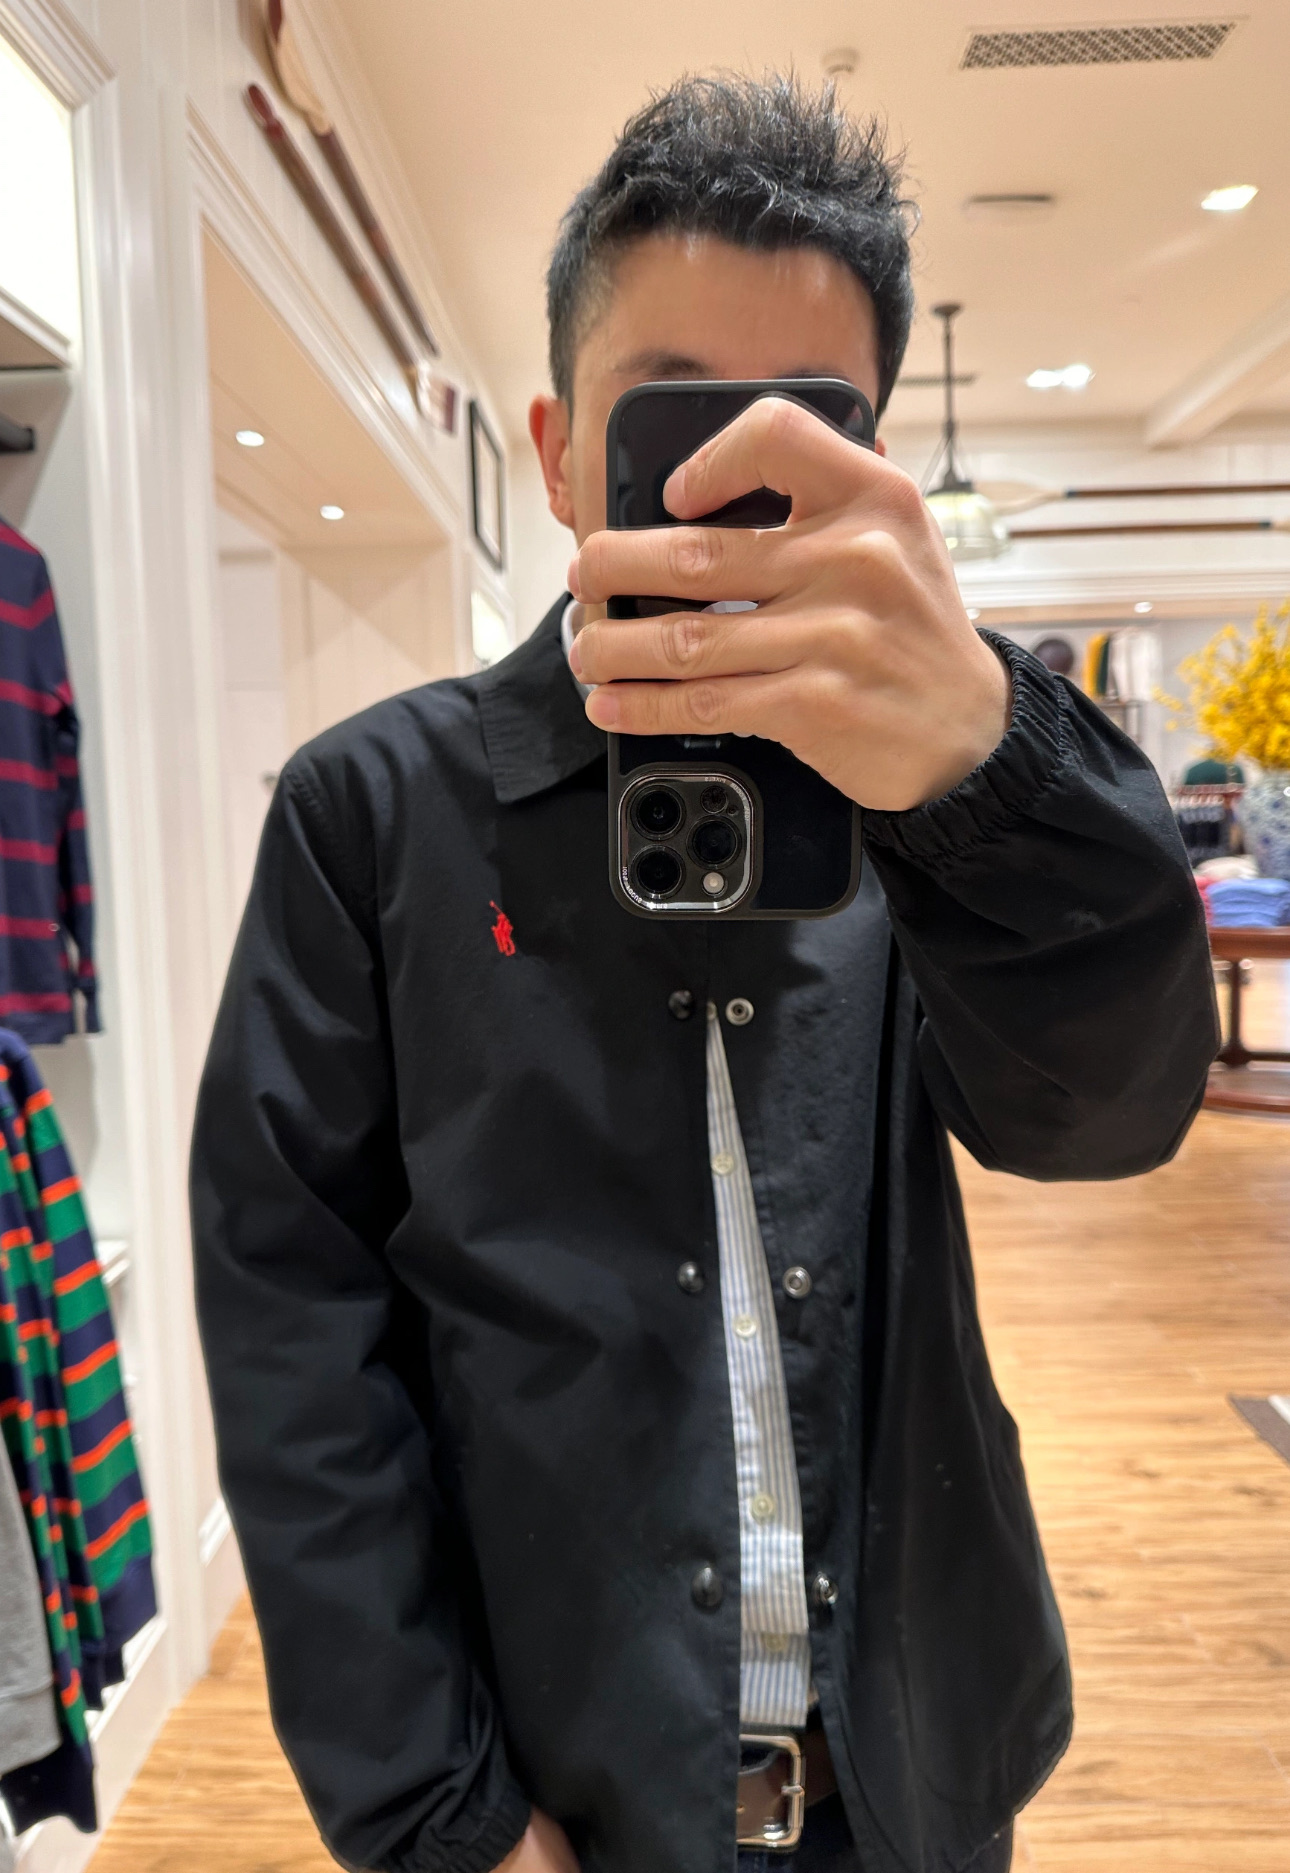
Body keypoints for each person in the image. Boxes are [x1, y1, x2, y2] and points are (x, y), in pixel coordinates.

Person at [190, 75, 1217, 1873]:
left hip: (915, 1767)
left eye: (802, 432)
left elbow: (1105, 1116)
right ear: (559, 451)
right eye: (676, 422)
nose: (737, 494)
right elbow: (294, 1329)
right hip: (558, 1798)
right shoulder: (377, 811)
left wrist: (980, 771)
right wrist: (440, 1816)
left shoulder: (940, 794)